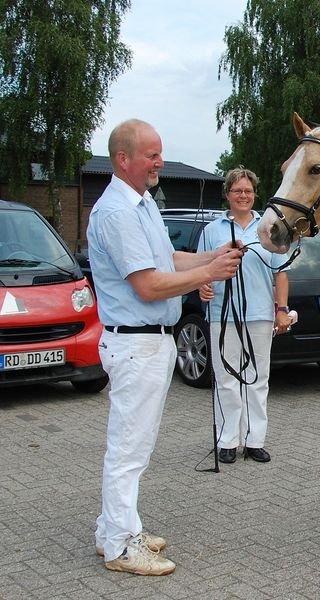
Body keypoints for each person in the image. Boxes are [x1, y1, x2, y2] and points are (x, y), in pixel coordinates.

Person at [87, 119, 243, 576]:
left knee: (133, 446)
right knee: (129, 450)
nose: (159, 161)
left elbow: (169, 259)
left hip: (150, 346)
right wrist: (211, 275)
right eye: (151, 155)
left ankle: (113, 528)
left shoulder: (142, 206)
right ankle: (119, 546)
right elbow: (150, 285)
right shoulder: (116, 213)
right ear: (123, 160)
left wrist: (213, 257)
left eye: (159, 153)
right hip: (136, 346)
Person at [198, 167, 291, 465]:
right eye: (237, 190)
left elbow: (281, 273)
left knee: (257, 378)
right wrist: (203, 287)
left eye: (248, 191)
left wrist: (281, 309)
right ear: (227, 194)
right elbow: (201, 271)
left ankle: (254, 440)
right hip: (222, 315)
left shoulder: (269, 228)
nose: (243, 195)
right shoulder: (212, 231)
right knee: (226, 377)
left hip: (260, 314)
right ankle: (227, 440)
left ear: (254, 195)